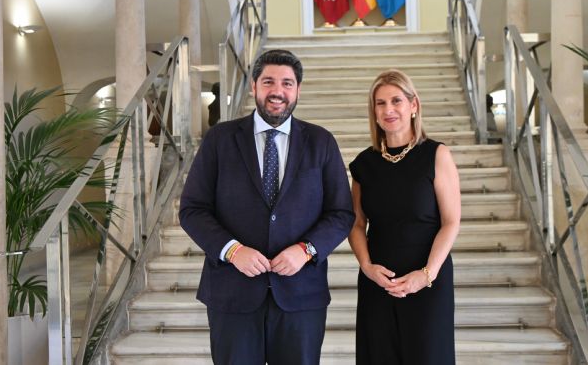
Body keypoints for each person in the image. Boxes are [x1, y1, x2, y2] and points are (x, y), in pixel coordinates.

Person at [179, 49, 355, 365]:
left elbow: (341, 213)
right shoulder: (220, 139)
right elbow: (192, 208)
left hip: (301, 295)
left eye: (287, 83)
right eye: (269, 81)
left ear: (298, 90)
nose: (278, 91)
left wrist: (307, 250)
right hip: (232, 292)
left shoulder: (321, 142)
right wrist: (232, 250)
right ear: (254, 86)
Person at [347, 69, 461, 364]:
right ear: (373, 111)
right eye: (380, 103)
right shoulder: (363, 164)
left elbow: (450, 222)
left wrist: (426, 275)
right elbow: (357, 224)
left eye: (396, 101)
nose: (388, 110)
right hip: (378, 281)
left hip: (428, 279)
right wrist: (367, 266)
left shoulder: (436, 155)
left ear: (414, 105)